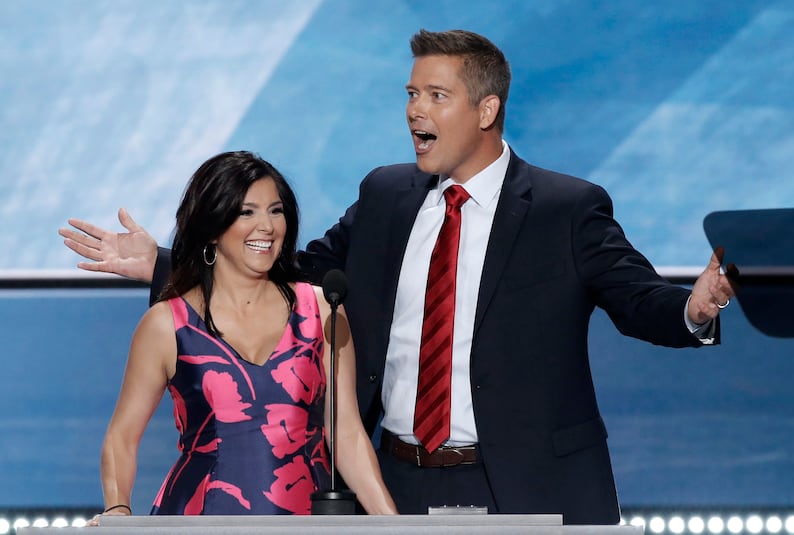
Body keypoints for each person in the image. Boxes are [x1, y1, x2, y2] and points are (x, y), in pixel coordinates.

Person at [60, 30, 735, 524]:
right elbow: (290, 276)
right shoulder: (388, 195)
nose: (414, 110)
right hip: (396, 482)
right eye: (410, 93)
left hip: (525, 489)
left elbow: (637, 298)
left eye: (435, 95)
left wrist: (694, 308)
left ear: (486, 109)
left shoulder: (566, 208)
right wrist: (166, 261)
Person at [87, 151, 396, 521]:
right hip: (200, 520)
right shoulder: (166, 324)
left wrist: (394, 527)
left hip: (304, 523)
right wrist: (118, 510)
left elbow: (346, 435)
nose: (266, 226)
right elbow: (122, 436)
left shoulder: (323, 311)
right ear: (213, 226)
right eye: (247, 212)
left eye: (275, 210)